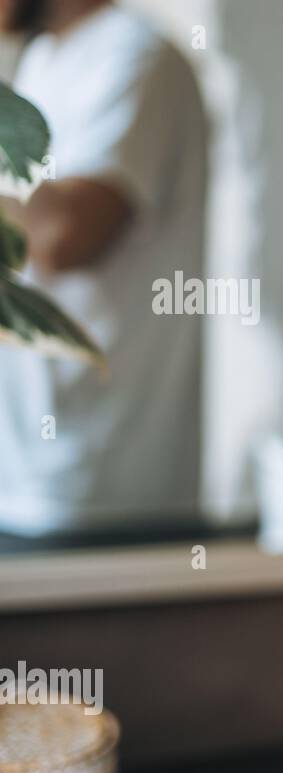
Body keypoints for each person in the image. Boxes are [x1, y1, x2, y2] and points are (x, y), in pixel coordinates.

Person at [0, 0, 206, 538]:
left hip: (100, 485)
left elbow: (63, 235)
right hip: (27, 470)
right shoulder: (45, 56)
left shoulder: (138, 56)